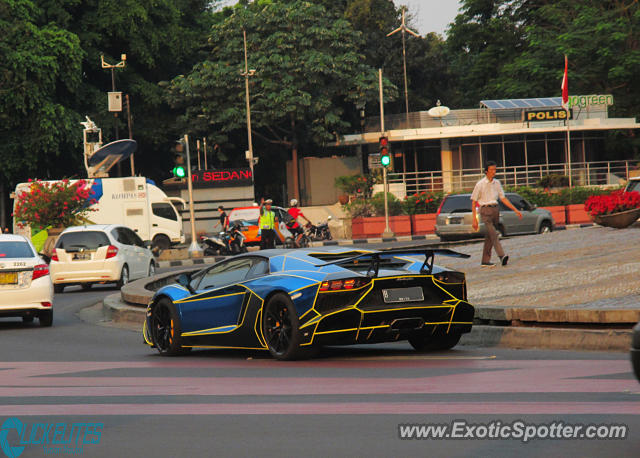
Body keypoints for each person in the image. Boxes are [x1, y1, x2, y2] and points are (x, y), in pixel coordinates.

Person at [471, 161, 522, 267]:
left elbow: (503, 198)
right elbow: (473, 201)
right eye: (491, 170)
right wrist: (474, 219)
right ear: (486, 171)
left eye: (495, 169)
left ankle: (485, 261)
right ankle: (502, 256)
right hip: (485, 211)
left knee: (490, 236)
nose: (494, 172)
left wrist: (515, 210)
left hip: (495, 210)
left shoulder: (497, 183)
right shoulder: (480, 184)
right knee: (494, 234)